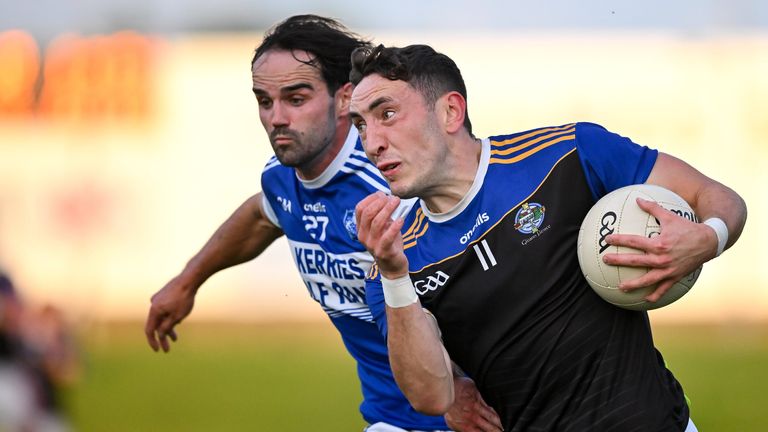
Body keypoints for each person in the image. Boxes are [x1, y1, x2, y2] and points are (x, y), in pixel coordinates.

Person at [350, 43, 747, 431]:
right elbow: (430, 398)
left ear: (451, 111)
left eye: (387, 114)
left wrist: (708, 238)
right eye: (361, 125)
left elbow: (717, 198)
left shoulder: (567, 156)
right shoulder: (397, 259)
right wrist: (394, 275)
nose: (372, 143)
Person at [145, 16, 501, 431]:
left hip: (467, 414)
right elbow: (262, 215)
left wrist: (454, 388)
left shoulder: (390, 188)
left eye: (296, 99)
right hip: (391, 418)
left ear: (344, 99)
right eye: (264, 101)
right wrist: (188, 281)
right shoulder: (283, 180)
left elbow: (472, 288)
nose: (276, 117)